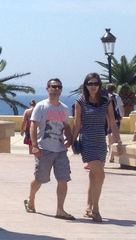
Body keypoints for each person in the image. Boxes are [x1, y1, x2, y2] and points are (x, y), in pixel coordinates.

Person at [72, 73, 124, 222]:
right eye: (90, 83)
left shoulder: (106, 102)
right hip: (87, 141)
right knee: (100, 175)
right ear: (85, 85)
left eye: (95, 83)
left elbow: (112, 123)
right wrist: (73, 142)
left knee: (94, 176)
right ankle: (96, 210)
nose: (93, 86)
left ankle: (88, 207)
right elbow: (77, 124)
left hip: (101, 142)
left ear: (99, 85)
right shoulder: (80, 102)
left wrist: (118, 142)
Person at [25, 78, 75, 220]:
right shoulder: (41, 107)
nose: (56, 89)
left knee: (63, 179)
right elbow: (33, 126)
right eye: (53, 86)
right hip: (44, 149)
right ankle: (31, 197)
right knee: (40, 179)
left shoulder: (64, 109)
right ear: (47, 89)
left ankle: (60, 209)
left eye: (59, 87)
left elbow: (66, 126)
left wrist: (69, 139)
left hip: (60, 150)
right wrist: (35, 146)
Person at [105, 83, 123, 163]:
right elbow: (122, 110)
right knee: (113, 138)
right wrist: (121, 118)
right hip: (115, 119)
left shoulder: (105, 97)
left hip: (106, 120)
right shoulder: (116, 97)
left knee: (109, 137)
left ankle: (109, 153)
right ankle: (111, 157)